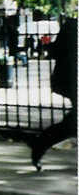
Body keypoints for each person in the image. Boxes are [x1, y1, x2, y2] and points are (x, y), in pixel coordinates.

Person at [29, 17, 76, 171]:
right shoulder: (72, 26)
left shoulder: (71, 25)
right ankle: (40, 142)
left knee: (74, 122)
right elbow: (58, 51)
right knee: (73, 123)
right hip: (71, 80)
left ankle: (40, 143)